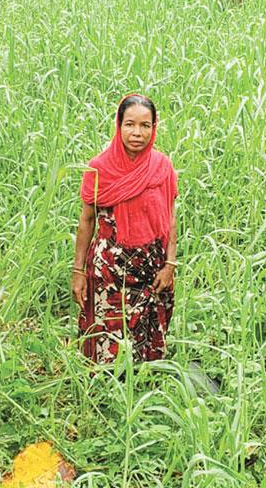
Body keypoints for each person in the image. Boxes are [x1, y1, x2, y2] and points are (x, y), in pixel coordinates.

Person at [73, 93, 179, 363]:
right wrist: (78, 271)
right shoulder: (99, 169)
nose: (137, 133)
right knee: (108, 340)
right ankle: (106, 394)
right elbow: (86, 220)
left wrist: (170, 265)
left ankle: (145, 388)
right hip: (109, 270)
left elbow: (170, 218)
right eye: (130, 124)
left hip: (152, 270)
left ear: (154, 128)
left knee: (148, 340)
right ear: (119, 125)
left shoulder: (162, 167)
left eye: (145, 126)